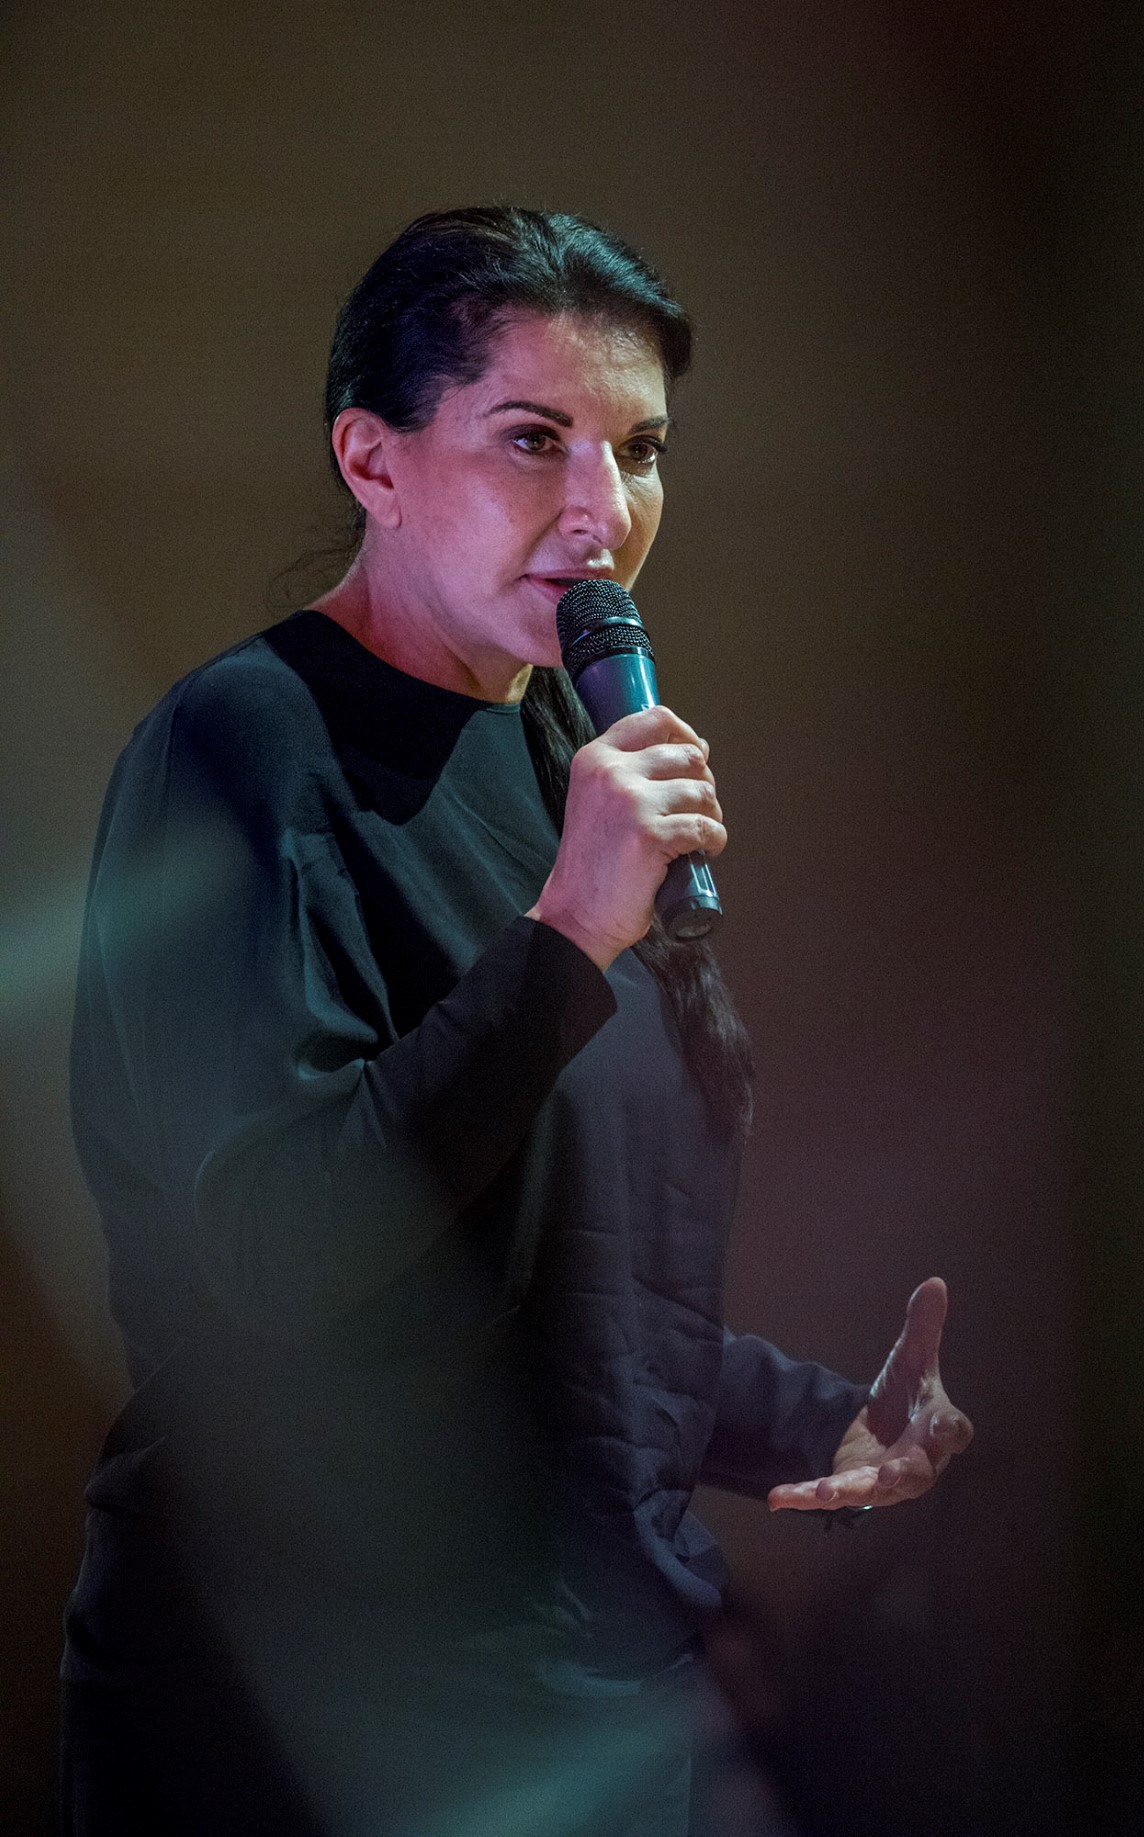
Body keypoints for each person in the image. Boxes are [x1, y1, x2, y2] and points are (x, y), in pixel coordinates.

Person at [61, 207, 972, 1837]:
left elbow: (559, 1286)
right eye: (535, 439)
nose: (604, 512)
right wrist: (564, 937)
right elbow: (271, 1251)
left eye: (642, 449)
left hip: (586, 1706)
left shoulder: (567, 749)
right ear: (373, 458)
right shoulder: (246, 750)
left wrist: (821, 1416)